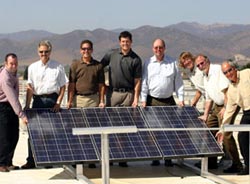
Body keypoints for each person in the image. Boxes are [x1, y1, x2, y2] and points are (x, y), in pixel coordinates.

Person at [21, 40, 68, 169]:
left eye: (46, 51)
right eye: (41, 52)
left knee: (50, 132)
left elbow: (63, 86)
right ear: (38, 52)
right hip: (37, 101)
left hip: (52, 101)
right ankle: (31, 161)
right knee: (34, 132)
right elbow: (30, 87)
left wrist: (58, 102)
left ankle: (48, 161)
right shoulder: (32, 67)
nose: (43, 54)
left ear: (50, 52)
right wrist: (27, 105)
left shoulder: (58, 67)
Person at [140, 38, 184, 166]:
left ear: (164, 48)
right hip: (152, 100)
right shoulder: (147, 63)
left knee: (169, 131)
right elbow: (144, 82)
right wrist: (143, 100)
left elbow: (178, 82)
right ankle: (156, 156)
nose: (158, 50)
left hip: (168, 101)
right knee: (153, 131)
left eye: (160, 47)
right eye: (156, 47)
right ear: (152, 49)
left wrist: (181, 99)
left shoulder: (172, 62)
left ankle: (168, 157)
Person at [101, 31, 142, 167]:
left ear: (131, 42)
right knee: (111, 126)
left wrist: (136, 98)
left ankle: (123, 156)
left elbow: (137, 81)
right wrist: (103, 85)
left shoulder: (136, 59)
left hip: (128, 95)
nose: (125, 44)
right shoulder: (111, 54)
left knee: (124, 126)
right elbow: (99, 67)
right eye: (123, 41)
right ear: (120, 42)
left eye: (127, 41)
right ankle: (111, 156)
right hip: (112, 94)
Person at [195, 55, 242, 172]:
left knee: (225, 133)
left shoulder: (217, 70)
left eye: (202, 63)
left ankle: (237, 164)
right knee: (208, 130)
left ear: (207, 61)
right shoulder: (205, 77)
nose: (201, 66)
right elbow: (208, 98)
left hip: (229, 103)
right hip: (217, 106)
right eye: (198, 65)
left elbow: (226, 90)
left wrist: (225, 107)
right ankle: (211, 162)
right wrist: (206, 114)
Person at [67, 39, 105, 168]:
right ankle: (78, 158)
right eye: (83, 49)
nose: (86, 51)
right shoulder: (75, 65)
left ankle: (92, 159)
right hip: (79, 100)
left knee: (93, 131)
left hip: (93, 100)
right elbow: (71, 85)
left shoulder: (98, 66)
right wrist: (70, 101)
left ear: (92, 50)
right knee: (79, 131)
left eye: (88, 49)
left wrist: (101, 101)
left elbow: (101, 85)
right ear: (80, 50)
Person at [216, 61, 250, 175]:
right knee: (242, 137)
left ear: (234, 69)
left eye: (230, 70)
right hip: (247, 112)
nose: (229, 73)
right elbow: (229, 112)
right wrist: (222, 129)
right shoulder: (231, 90)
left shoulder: (247, 73)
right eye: (225, 72)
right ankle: (248, 166)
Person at [0, 53, 28, 172]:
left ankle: (8, 161)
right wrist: (22, 115)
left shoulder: (13, 73)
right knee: (5, 137)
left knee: (14, 136)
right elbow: (12, 98)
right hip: (3, 107)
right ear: (6, 64)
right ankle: (1, 163)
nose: (14, 66)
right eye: (11, 63)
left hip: (11, 108)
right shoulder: (5, 77)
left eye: (16, 63)